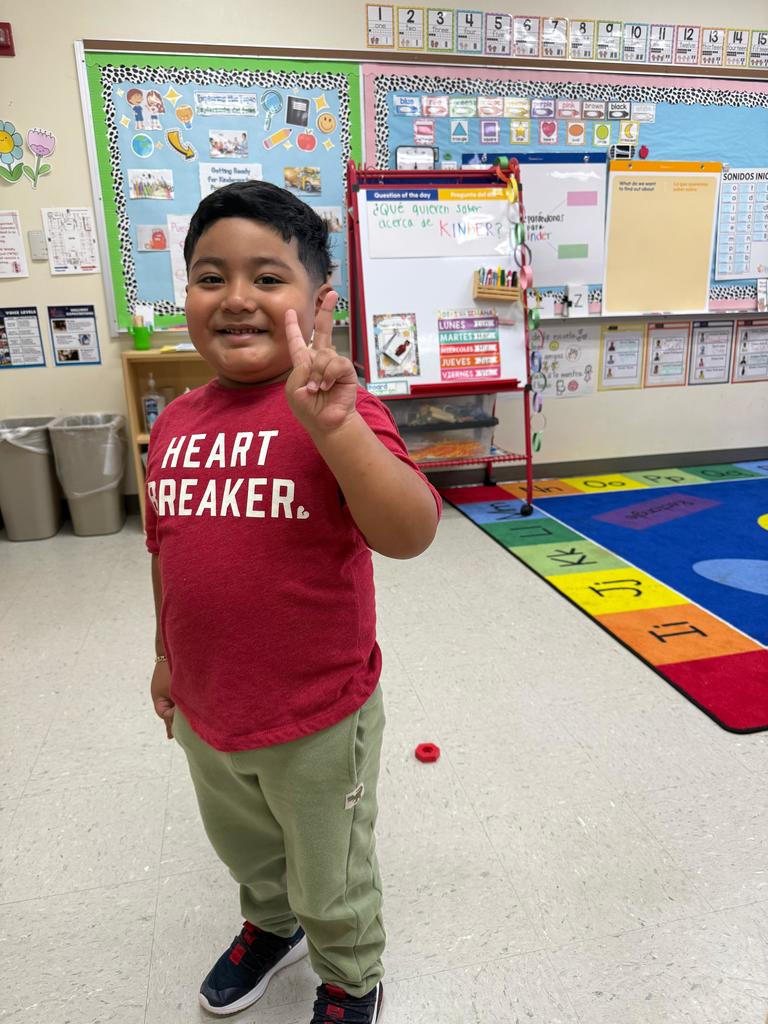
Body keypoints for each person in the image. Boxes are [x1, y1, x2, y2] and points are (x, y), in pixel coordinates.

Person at [146, 179, 440, 1023]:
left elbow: (411, 530)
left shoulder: (336, 409)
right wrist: (166, 656)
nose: (236, 298)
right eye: (211, 276)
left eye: (267, 277)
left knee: (330, 866)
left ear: (319, 301)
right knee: (245, 843)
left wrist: (337, 430)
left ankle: (350, 974)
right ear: (188, 293)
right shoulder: (175, 423)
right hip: (208, 707)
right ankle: (270, 927)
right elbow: (165, 549)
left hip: (317, 714)